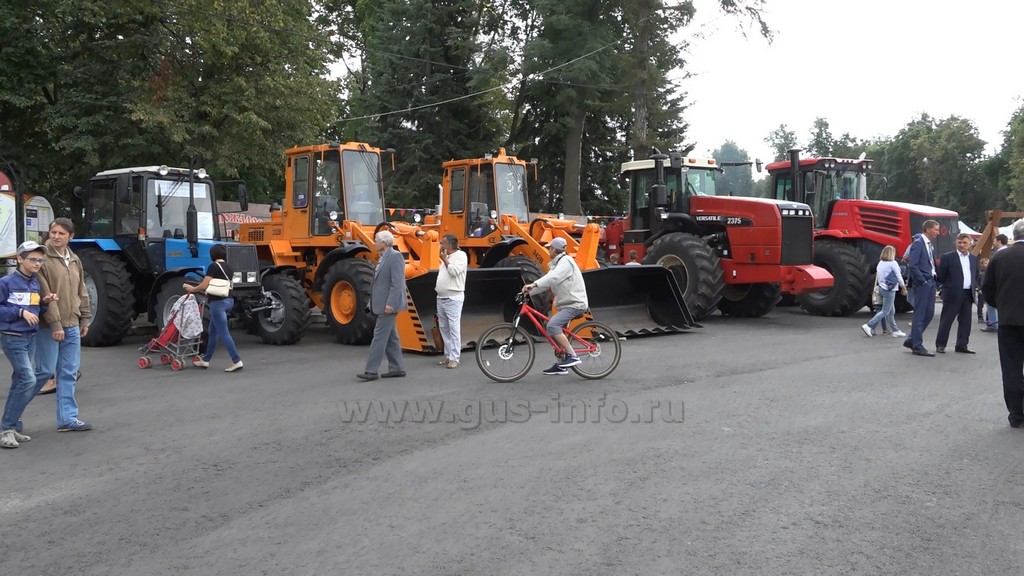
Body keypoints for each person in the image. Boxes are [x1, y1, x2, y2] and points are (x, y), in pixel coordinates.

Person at [34, 218, 93, 432]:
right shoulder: (42, 259)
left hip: (72, 323)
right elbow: (44, 293)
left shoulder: (74, 259)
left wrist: (84, 318)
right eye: (53, 232)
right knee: (44, 372)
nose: (56, 236)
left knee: (68, 372)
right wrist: (55, 324)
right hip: (49, 326)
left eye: (61, 233)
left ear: (71, 236)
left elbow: (81, 290)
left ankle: (67, 419)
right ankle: (12, 417)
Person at [1, 241, 57, 448]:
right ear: (19, 259)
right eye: (32, 259)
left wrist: (44, 303)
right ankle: (6, 428)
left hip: (30, 336)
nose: (37, 264)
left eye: (40, 260)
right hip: (12, 336)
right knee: (27, 378)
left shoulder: (34, 283)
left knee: (20, 381)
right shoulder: (6, 282)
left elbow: (35, 311)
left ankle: (11, 427)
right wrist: (20, 312)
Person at [522, 237, 589, 375]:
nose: (548, 250)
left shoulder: (566, 262)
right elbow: (547, 284)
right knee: (553, 331)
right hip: (567, 304)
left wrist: (533, 284)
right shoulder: (558, 264)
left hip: (575, 304)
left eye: (549, 248)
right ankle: (561, 365)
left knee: (552, 326)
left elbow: (553, 278)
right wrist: (528, 292)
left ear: (554, 249)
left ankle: (573, 356)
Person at [980, 219, 1024, 428]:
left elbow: (987, 288)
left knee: (1011, 368)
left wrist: (1001, 305)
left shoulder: (1001, 256)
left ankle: (1016, 414)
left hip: (1008, 320)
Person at [357, 230, 407, 381]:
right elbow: (379, 284)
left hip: (388, 306)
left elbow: (397, 283)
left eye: (376, 240)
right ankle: (397, 368)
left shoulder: (395, 257)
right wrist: (371, 302)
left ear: (384, 243)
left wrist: (391, 304)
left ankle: (371, 371)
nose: (374, 243)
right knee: (391, 338)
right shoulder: (383, 257)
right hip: (381, 304)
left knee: (378, 338)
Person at [185, 244, 243, 372]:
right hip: (229, 301)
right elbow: (229, 285)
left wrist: (192, 289)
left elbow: (204, 284)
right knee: (213, 331)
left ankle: (236, 361)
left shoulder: (213, 266)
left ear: (212, 255)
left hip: (217, 304)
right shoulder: (229, 267)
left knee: (224, 333)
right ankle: (206, 360)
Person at [933, 233, 980, 354]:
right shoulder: (948, 257)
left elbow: (975, 274)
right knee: (947, 320)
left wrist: (974, 285)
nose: (962, 245)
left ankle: (962, 345)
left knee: (966, 321)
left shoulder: (973, 258)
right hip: (952, 293)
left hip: (968, 293)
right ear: (955, 243)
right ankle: (941, 344)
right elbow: (941, 275)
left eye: (964, 242)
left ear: (970, 244)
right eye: (959, 242)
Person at [903, 219, 940, 356]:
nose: (938, 232)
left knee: (929, 313)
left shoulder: (929, 244)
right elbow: (913, 264)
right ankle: (917, 345)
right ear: (928, 229)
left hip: (931, 281)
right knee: (920, 314)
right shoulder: (918, 244)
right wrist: (922, 281)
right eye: (936, 229)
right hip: (924, 283)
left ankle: (911, 339)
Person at [434, 234, 466, 369]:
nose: (441, 245)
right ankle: (448, 355)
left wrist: (445, 260)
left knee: (453, 328)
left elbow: (454, 271)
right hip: (441, 297)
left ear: (450, 245)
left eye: (443, 243)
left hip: (453, 297)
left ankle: (455, 358)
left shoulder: (461, 256)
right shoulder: (445, 257)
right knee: (444, 328)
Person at [861, 245, 907, 339]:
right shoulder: (893, 263)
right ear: (891, 254)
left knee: (891, 311)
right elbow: (899, 276)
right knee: (885, 311)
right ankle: (869, 325)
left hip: (881, 288)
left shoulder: (880, 263)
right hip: (890, 290)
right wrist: (903, 287)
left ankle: (895, 330)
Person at [982, 233, 1010, 332]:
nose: (993, 243)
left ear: (999, 241)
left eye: (994, 241)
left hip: (998, 284)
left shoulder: (1000, 254)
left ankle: (994, 324)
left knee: (992, 305)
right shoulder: (1007, 252)